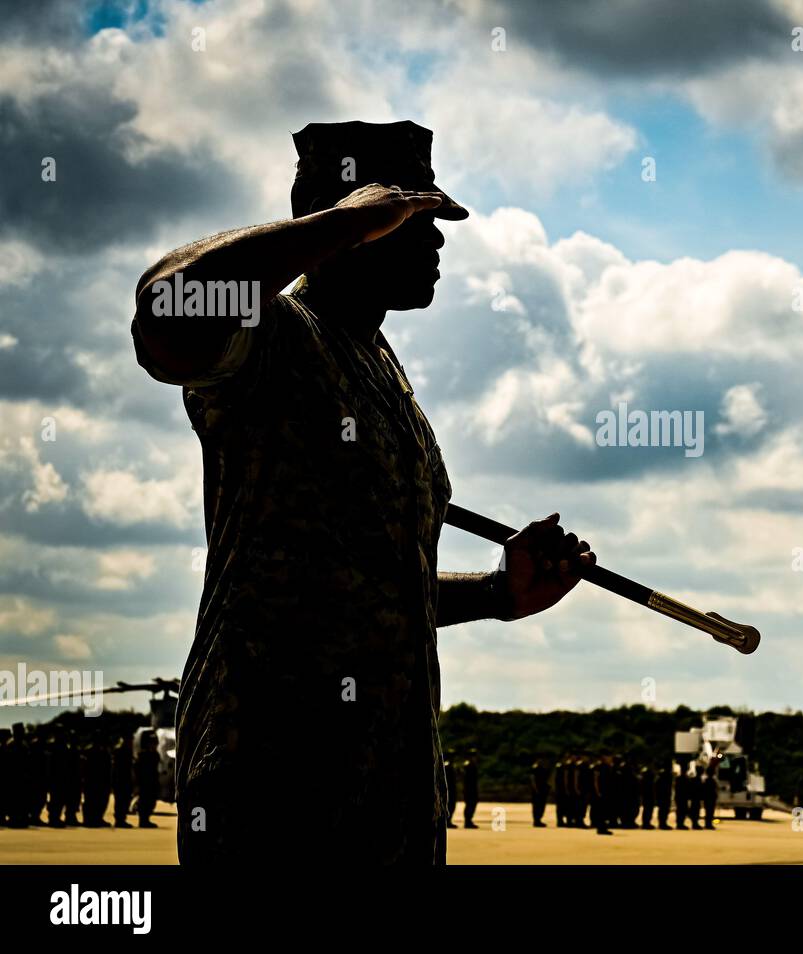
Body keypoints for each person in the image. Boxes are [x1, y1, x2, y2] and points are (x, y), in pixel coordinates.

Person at [130, 120, 596, 866]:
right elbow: (164, 311)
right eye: (416, 220)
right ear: (353, 227)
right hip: (276, 788)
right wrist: (339, 222)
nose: (438, 241)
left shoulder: (382, 369)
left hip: (392, 795)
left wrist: (496, 593)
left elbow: (364, 587)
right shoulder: (277, 339)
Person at [135, 731, 161, 829]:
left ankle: (146, 819)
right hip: (144, 782)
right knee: (144, 801)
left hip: (152, 781)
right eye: (152, 743)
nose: (154, 745)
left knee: (151, 802)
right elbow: (138, 769)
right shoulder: (143, 755)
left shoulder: (155, 755)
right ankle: (143, 820)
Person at [112, 736, 135, 829]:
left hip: (125, 779)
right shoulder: (120, 750)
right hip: (120, 779)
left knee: (125, 800)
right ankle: (119, 819)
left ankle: (121, 819)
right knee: (120, 800)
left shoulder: (127, 750)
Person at [461, 750, 479, 830]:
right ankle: (467, 821)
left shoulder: (471, 765)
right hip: (469, 789)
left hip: (472, 789)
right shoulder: (468, 765)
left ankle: (469, 820)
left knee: (472, 805)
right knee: (470, 805)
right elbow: (467, 780)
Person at [529, 756, 550, 827]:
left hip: (542, 789)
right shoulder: (535, 768)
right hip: (537, 790)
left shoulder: (542, 768)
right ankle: (536, 820)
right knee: (537, 806)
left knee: (541, 805)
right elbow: (532, 779)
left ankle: (538, 819)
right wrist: (535, 789)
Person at [655, 758, 673, 830]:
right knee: (663, 809)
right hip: (664, 794)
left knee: (664, 809)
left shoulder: (664, 774)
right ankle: (662, 823)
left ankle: (662, 823)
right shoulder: (665, 774)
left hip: (664, 794)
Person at [701, 765, 718, 830]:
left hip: (707, 798)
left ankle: (707, 824)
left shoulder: (705, 780)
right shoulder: (713, 781)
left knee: (708, 811)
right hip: (711, 798)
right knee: (710, 812)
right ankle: (709, 824)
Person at [444, 749, 458, 829]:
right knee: (449, 806)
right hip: (449, 789)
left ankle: (449, 821)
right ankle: (447, 821)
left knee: (452, 806)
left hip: (452, 789)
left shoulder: (452, 766)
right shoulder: (447, 766)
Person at [639, 764, 655, 830]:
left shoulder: (645, 773)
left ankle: (646, 822)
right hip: (648, 793)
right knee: (648, 809)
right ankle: (646, 823)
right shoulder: (648, 774)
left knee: (648, 809)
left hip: (647, 793)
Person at [673, 764, 688, 830]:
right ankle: (680, 824)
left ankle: (680, 823)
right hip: (682, 797)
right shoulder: (684, 779)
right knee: (682, 810)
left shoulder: (678, 779)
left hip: (679, 796)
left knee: (680, 810)